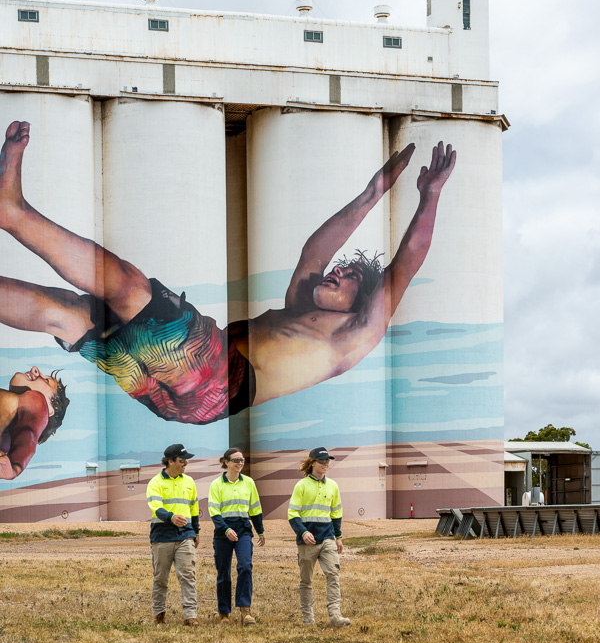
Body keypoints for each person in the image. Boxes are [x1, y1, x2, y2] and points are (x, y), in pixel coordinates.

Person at [0, 120, 455, 424]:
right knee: (73, 314)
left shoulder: (356, 334)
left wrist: (430, 196)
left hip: (215, 377)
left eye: (348, 275)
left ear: (364, 297)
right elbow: (315, 250)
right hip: (180, 397)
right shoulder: (299, 308)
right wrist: (373, 192)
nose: (334, 271)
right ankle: (13, 214)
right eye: (341, 267)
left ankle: (14, 212)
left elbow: (407, 261)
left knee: (128, 287)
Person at [288, 446, 350, 628]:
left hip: (328, 538)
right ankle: (308, 619)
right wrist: (303, 532)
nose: (325, 464)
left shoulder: (333, 486)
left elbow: (336, 513)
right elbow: (292, 514)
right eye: (322, 461)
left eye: (327, 461)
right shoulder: (301, 486)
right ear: (312, 463)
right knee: (306, 581)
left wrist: (338, 537)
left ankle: (335, 616)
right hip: (307, 541)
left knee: (333, 574)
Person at [208, 448, 265, 625]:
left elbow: (255, 509)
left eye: (242, 460)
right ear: (226, 462)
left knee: (245, 566)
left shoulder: (249, 482)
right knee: (223, 572)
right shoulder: (216, 485)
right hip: (223, 532)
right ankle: (224, 613)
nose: (240, 463)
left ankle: (245, 610)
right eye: (236, 460)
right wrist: (226, 529)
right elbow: (214, 512)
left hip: (243, 530)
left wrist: (260, 531)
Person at [146, 443, 200, 626]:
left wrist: (196, 531)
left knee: (188, 576)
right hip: (162, 537)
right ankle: (159, 614)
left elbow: (194, 509)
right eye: (182, 460)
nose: (186, 463)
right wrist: (171, 517)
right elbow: (156, 507)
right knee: (160, 578)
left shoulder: (189, 482)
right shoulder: (155, 483)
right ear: (171, 461)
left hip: (185, 535)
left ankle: (190, 616)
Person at [0, 366, 69, 480]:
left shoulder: (37, 402)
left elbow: (29, 433)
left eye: (47, 380)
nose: (34, 369)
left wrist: (15, 468)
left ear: (49, 409)